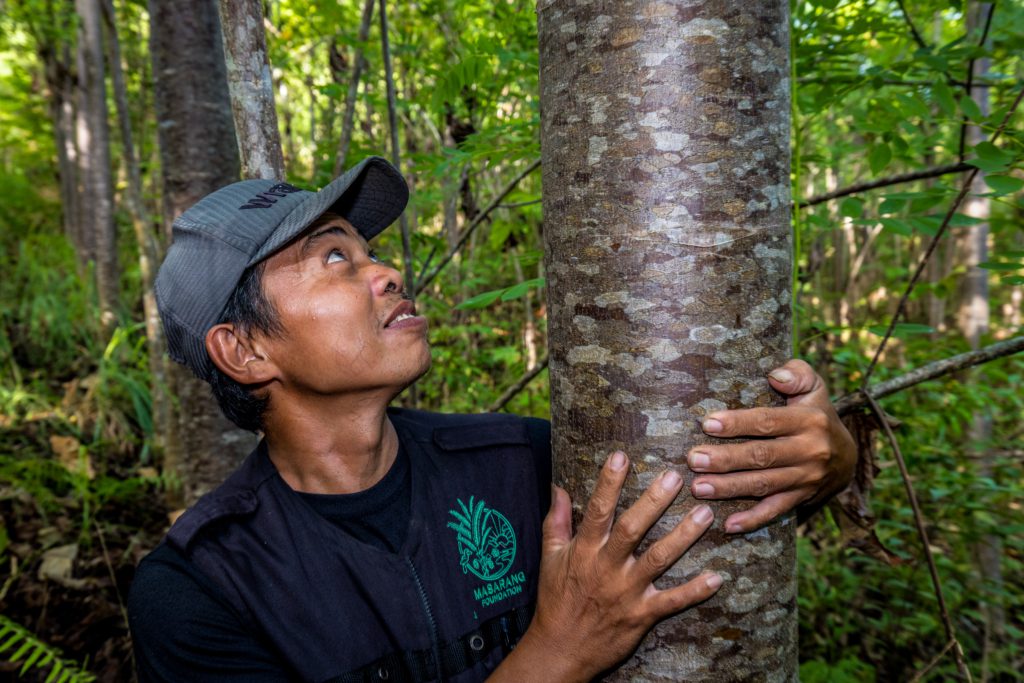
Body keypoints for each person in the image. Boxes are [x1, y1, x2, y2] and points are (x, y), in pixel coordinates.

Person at [127, 157, 856, 682]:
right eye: (334, 258)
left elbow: (719, 490)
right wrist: (557, 654)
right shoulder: (200, 591)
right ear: (245, 349)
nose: (387, 272)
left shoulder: (523, 461)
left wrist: (828, 460)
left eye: (371, 252)